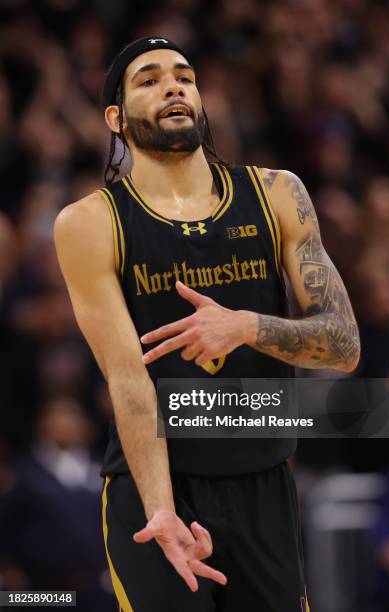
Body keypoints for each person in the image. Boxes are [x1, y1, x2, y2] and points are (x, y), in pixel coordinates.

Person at [53, 37, 360, 612]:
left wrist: (247, 326)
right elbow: (128, 380)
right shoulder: (89, 223)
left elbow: (344, 345)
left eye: (184, 77)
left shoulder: (276, 194)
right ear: (115, 119)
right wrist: (162, 509)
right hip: (157, 489)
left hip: (264, 481)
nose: (173, 85)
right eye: (148, 79)